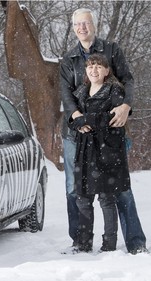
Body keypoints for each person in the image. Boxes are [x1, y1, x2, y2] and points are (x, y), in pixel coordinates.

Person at [59, 7, 147, 254]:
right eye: (78, 24)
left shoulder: (111, 50)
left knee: (118, 187)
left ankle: (136, 242)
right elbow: (66, 93)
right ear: (74, 27)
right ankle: (80, 241)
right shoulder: (69, 59)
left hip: (108, 135)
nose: (82, 28)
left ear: (94, 25)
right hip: (77, 134)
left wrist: (126, 106)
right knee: (75, 189)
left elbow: (127, 79)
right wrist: (76, 116)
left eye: (86, 23)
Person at [68, 54, 129, 252]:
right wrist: (77, 123)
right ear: (85, 71)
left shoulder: (115, 91)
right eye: (90, 67)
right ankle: (84, 243)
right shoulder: (81, 92)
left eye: (98, 67)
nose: (93, 70)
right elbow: (72, 120)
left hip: (106, 151)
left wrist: (86, 119)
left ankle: (109, 244)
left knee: (106, 199)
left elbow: (114, 118)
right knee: (82, 199)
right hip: (84, 151)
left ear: (106, 71)